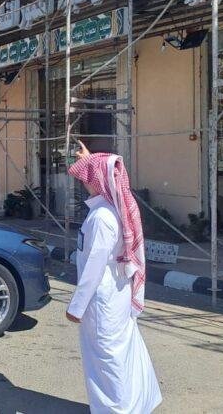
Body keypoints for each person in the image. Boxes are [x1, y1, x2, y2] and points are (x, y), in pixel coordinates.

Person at [65, 140, 162, 414]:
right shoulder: (109, 210)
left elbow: (93, 267)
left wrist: (76, 307)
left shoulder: (102, 218)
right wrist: (89, 158)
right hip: (115, 293)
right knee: (119, 354)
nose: (84, 182)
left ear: (98, 181)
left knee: (107, 361)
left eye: (89, 176)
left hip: (103, 299)